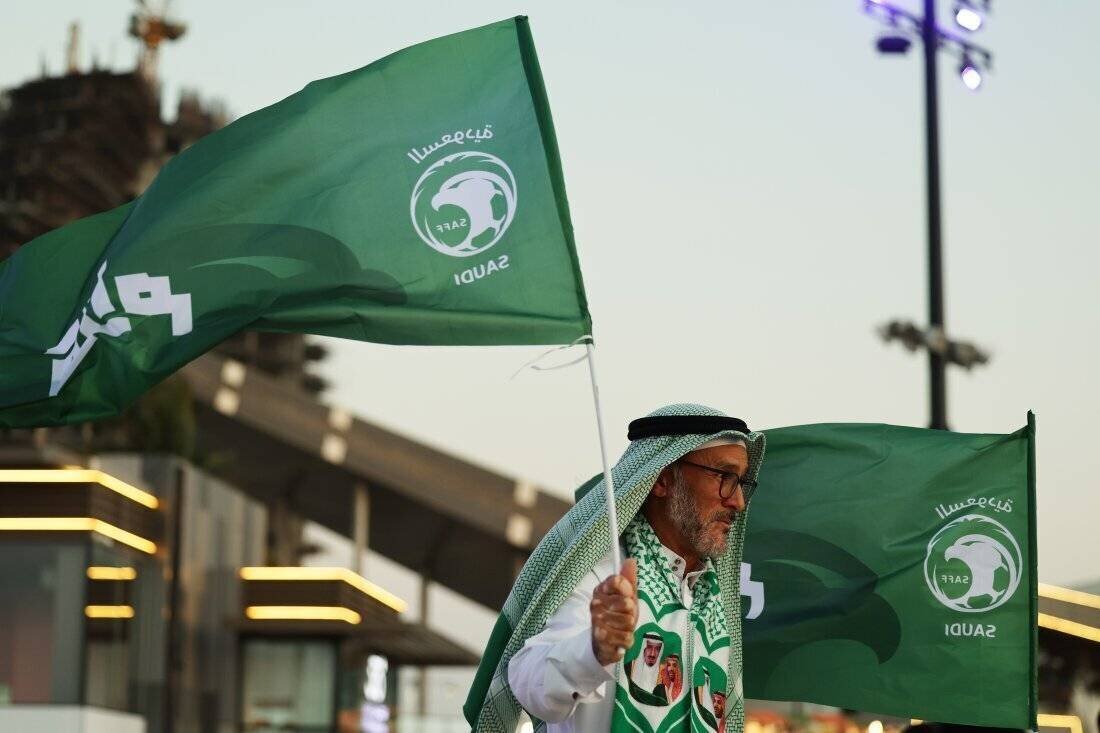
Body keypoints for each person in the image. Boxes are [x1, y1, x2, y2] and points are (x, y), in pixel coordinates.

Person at [464, 404, 766, 733]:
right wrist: (594, 648)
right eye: (724, 477)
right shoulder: (602, 574)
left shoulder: (714, 600)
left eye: (741, 483)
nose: (737, 501)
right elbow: (529, 681)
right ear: (663, 479)